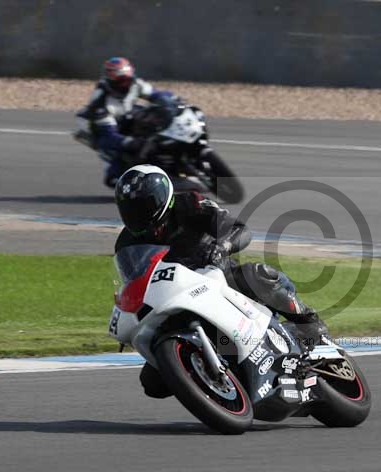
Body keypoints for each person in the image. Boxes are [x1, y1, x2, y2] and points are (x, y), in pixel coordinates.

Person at [113, 164, 328, 399]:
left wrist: (222, 246)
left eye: (144, 206)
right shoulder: (126, 243)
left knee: (257, 274)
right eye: (130, 210)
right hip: (173, 296)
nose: (137, 215)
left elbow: (238, 229)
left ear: (161, 199)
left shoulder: (190, 204)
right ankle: (208, 377)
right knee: (152, 383)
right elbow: (134, 278)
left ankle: (309, 321)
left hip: (216, 275)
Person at [76, 57, 178, 187]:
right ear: (111, 79)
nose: (126, 84)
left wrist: (172, 100)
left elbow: (156, 94)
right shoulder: (101, 101)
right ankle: (116, 175)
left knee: (152, 114)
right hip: (101, 125)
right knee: (114, 146)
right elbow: (109, 133)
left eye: (127, 78)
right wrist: (130, 142)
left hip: (125, 113)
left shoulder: (135, 83)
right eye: (121, 80)